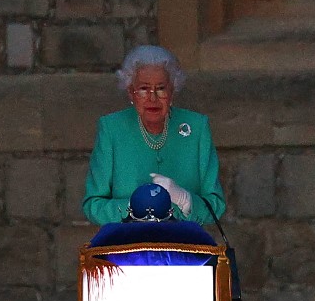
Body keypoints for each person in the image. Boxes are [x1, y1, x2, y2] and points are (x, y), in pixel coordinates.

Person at [83, 45, 226, 225]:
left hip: (183, 246)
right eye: (143, 89)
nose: (152, 98)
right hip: (128, 247)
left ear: (172, 91)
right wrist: (138, 208)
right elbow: (93, 205)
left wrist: (185, 200)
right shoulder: (112, 129)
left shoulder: (197, 128)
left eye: (160, 88)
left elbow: (216, 206)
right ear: (131, 92)